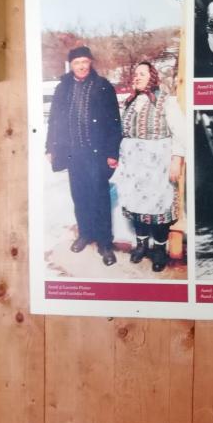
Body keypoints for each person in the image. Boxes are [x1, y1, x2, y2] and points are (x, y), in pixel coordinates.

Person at [45, 45, 123, 265]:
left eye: (85, 62)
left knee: (100, 197)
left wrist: (112, 152)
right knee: (79, 196)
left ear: (90, 63)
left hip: (96, 152)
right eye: (77, 62)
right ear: (71, 65)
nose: (81, 66)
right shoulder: (63, 88)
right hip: (73, 153)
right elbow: (54, 120)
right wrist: (50, 147)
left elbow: (114, 122)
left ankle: (105, 243)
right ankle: (85, 234)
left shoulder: (103, 86)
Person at [112, 60, 185, 272]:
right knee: (136, 205)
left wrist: (177, 159)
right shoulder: (130, 102)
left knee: (158, 207)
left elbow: (181, 133)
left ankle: (159, 249)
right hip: (133, 166)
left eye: (142, 74)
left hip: (157, 165)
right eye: (135, 74)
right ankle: (142, 245)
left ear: (152, 77)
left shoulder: (166, 101)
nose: (137, 77)